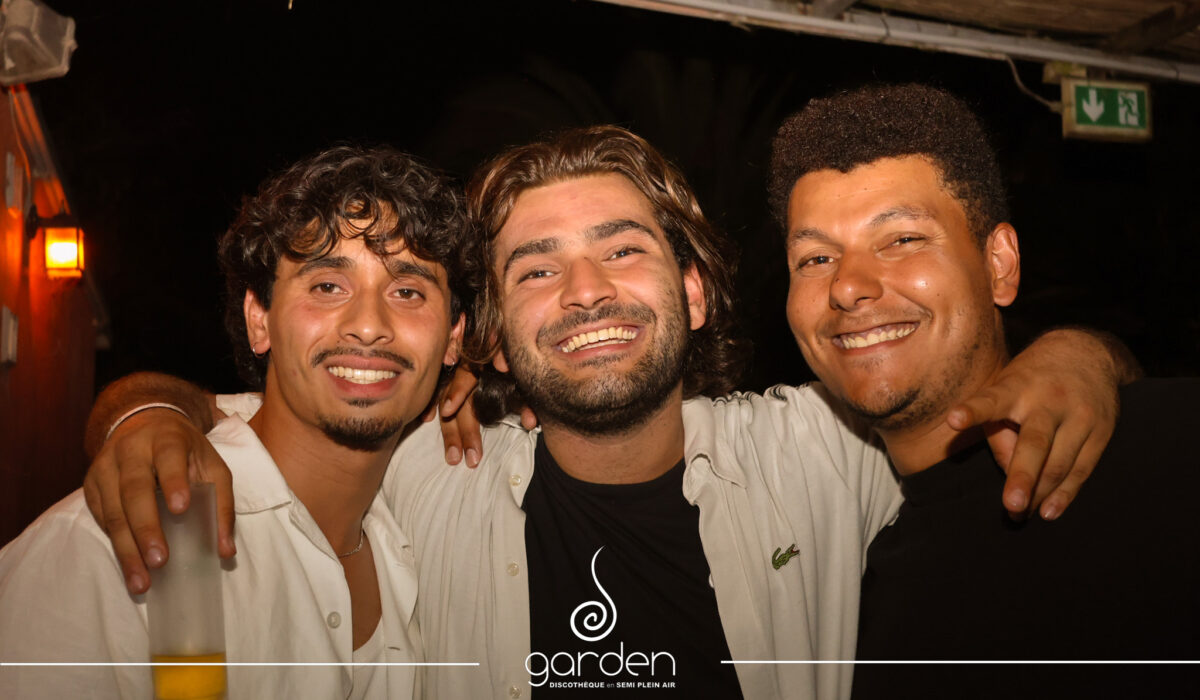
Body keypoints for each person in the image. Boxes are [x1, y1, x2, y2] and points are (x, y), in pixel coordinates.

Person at [80, 127, 1134, 699]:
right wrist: (140, 417)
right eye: (537, 269)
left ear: (693, 293)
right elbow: (257, 411)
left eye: (622, 250)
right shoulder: (419, 470)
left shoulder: (818, 451)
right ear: (491, 338)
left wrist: (1084, 355)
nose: (586, 293)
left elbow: (957, 388)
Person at [769, 83, 1199, 697]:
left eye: (903, 239)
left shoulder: (1174, 456)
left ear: (999, 264)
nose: (848, 286)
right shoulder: (835, 609)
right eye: (815, 259)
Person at [0, 144, 473, 699]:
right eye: (327, 286)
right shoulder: (119, 543)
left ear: (454, 338)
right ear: (259, 320)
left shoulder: (413, 549)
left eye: (408, 291)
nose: (368, 325)